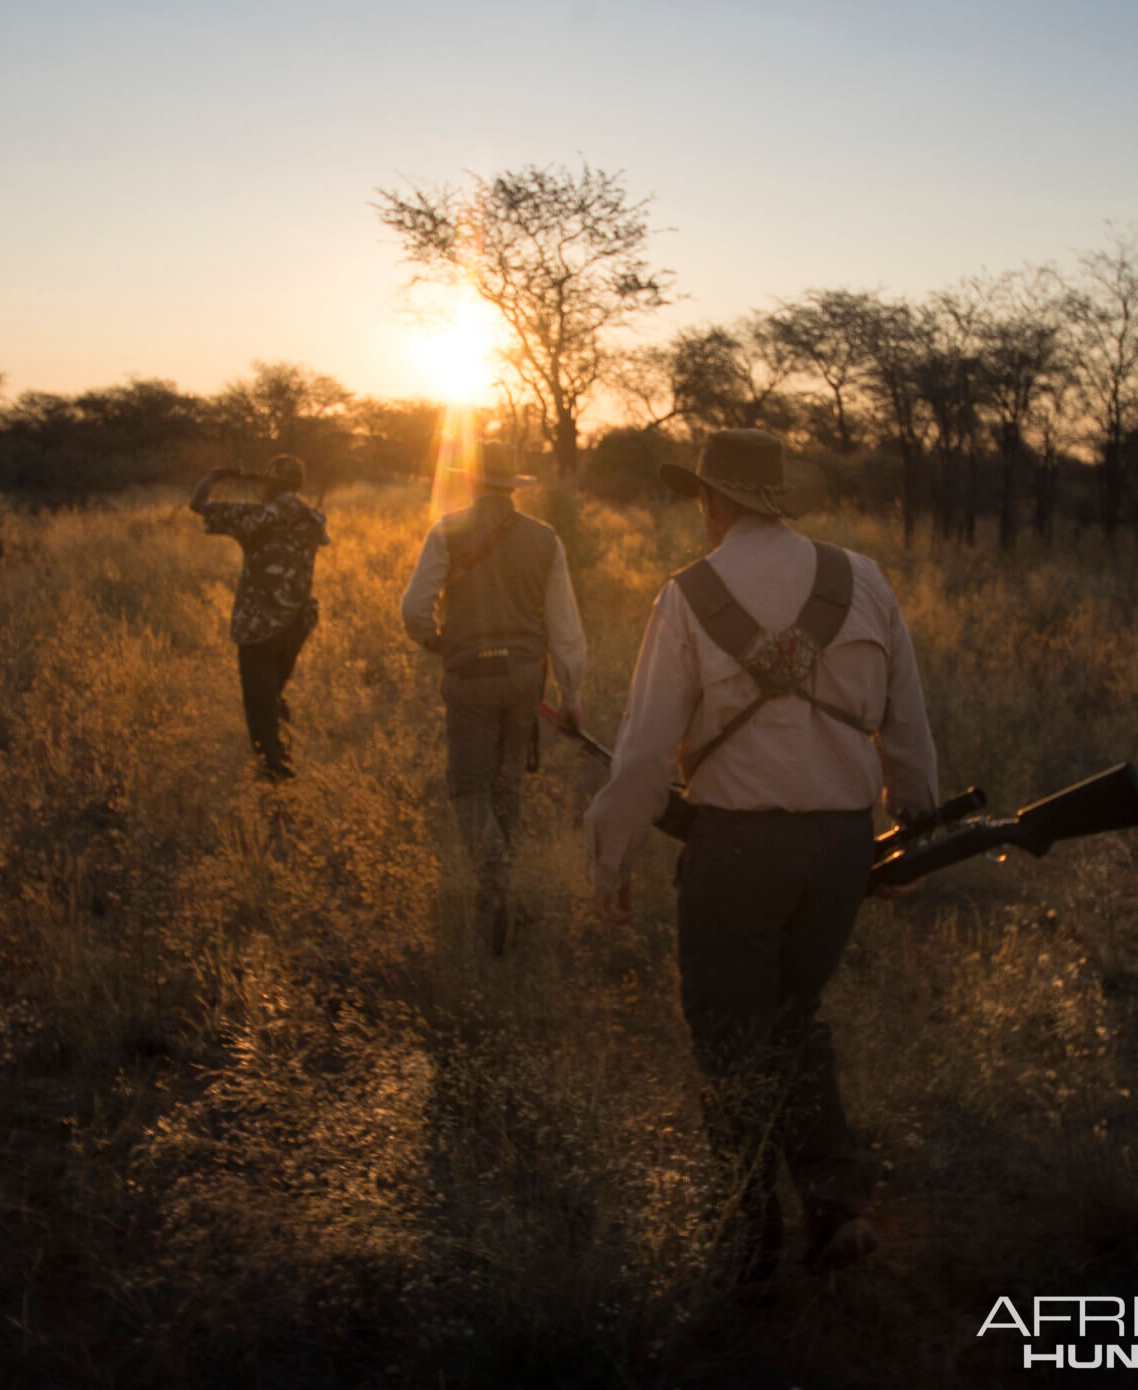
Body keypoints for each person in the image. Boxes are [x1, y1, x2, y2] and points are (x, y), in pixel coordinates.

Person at [583, 428, 939, 1288]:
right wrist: (915, 827)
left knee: (729, 1042)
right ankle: (834, 1208)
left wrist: (612, 856)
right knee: (790, 1019)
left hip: (736, 850)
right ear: (779, 498)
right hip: (844, 847)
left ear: (713, 501)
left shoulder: (688, 593)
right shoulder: (864, 578)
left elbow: (641, 754)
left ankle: (745, 1236)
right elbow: (909, 725)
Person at [402, 441, 587, 954]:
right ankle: (505, 899)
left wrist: (435, 641)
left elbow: (414, 608)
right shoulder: (546, 539)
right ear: (512, 487)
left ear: (470, 482)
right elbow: (566, 629)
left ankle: (496, 882)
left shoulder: (447, 531)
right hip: (527, 677)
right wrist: (570, 696)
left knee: (468, 788)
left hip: (470, 673)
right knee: (509, 783)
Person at [189, 454, 329, 781]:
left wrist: (215, 474)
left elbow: (199, 504)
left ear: (271, 485)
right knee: (273, 695)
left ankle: (275, 773)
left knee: (259, 703)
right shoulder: (314, 519)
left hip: (259, 626)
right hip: (297, 622)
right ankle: (283, 755)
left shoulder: (257, 515)